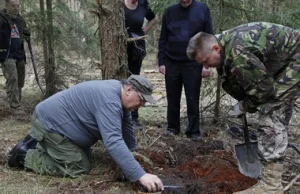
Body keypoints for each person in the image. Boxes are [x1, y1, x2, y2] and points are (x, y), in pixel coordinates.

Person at [187, 22, 299, 194]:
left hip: (295, 59)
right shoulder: (224, 47)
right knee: (274, 110)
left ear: (216, 48)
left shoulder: (237, 52)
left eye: (206, 61)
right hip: (284, 63)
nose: (206, 67)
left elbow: (264, 92)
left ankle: (271, 187)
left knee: (270, 112)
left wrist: (245, 105)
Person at [7, 75, 164, 193]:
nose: (142, 105)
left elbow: (126, 127)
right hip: (50, 124)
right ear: (129, 89)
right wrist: (140, 175)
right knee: (79, 166)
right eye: (142, 99)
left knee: (87, 158)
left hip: (60, 124)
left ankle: (41, 143)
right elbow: (113, 142)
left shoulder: (119, 95)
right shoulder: (110, 101)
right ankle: (24, 156)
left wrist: (133, 152)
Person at [157, 0, 213, 140]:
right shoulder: (169, 12)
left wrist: (206, 65)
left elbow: (209, 38)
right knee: (172, 97)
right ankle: (172, 128)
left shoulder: (202, 10)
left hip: (194, 62)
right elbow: (163, 37)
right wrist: (161, 61)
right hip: (171, 61)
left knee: (192, 97)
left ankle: (193, 131)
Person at [124, 0, 157, 130]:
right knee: (119, 79)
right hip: (120, 46)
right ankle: (120, 114)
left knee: (134, 80)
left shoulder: (143, 4)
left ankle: (133, 118)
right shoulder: (118, 4)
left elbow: (153, 19)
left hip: (136, 48)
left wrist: (143, 31)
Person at [0, 0, 30, 108]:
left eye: (18, 6)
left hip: (19, 53)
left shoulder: (20, 19)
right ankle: (14, 105)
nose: (16, 8)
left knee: (20, 79)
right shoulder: (1, 19)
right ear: (7, 5)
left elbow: (26, 34)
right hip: (7, 54)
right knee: (12, 77)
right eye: (13, 6)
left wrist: (27, 34)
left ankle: (18, 101)